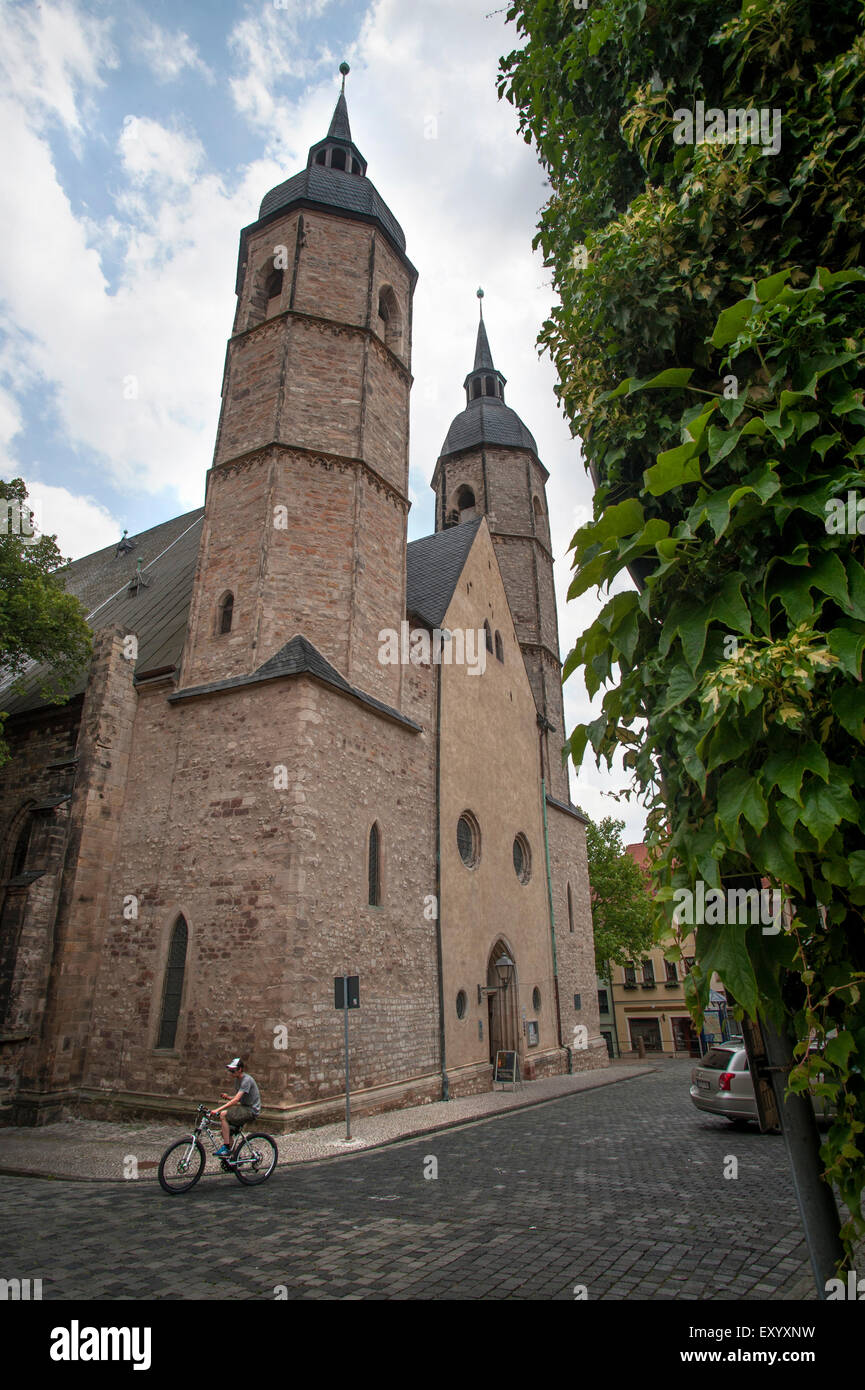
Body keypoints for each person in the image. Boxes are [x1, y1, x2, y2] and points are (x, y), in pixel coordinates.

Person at [212, 1057, 261, 1158]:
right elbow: (238, 1097)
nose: (231, 1072)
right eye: (230, 1070)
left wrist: (218, 1109)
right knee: (225, 1131)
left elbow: (235, 1100)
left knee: (223, 1115)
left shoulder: (246, 1080)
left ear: (240, 1070)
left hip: (250, 1110)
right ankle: (234, 1157)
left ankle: (226, 1147)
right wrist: (228, 1097)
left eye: (233, 1070)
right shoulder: (238, 1080)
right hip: (244, 1108)